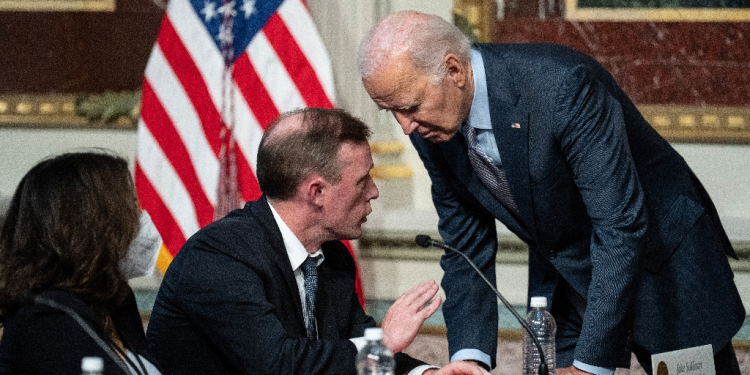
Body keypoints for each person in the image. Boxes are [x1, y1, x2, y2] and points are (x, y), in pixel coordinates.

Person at [357, 11, 745, 375]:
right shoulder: (431, 124)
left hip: (663, 260)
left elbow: (620, 227)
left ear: (454, 70)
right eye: (389, 111)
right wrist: (469, 359)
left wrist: (590, 366)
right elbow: (465, 245)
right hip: (565, 272)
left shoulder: (562, 86)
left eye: (409, 107)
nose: (405, 127)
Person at [145, 107, 490, 375]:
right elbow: (276, 365)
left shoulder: (331, 256)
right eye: (362, 180)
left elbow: (353, 355)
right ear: (317, 192)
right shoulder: (219, 257)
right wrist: (383, 342)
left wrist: (427, 371)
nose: (374, 192)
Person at [0, 151, 163, 375]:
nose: (141, 214)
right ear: (94, 225)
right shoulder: (46, 319)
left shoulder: (117, 303)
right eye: (131, 204)